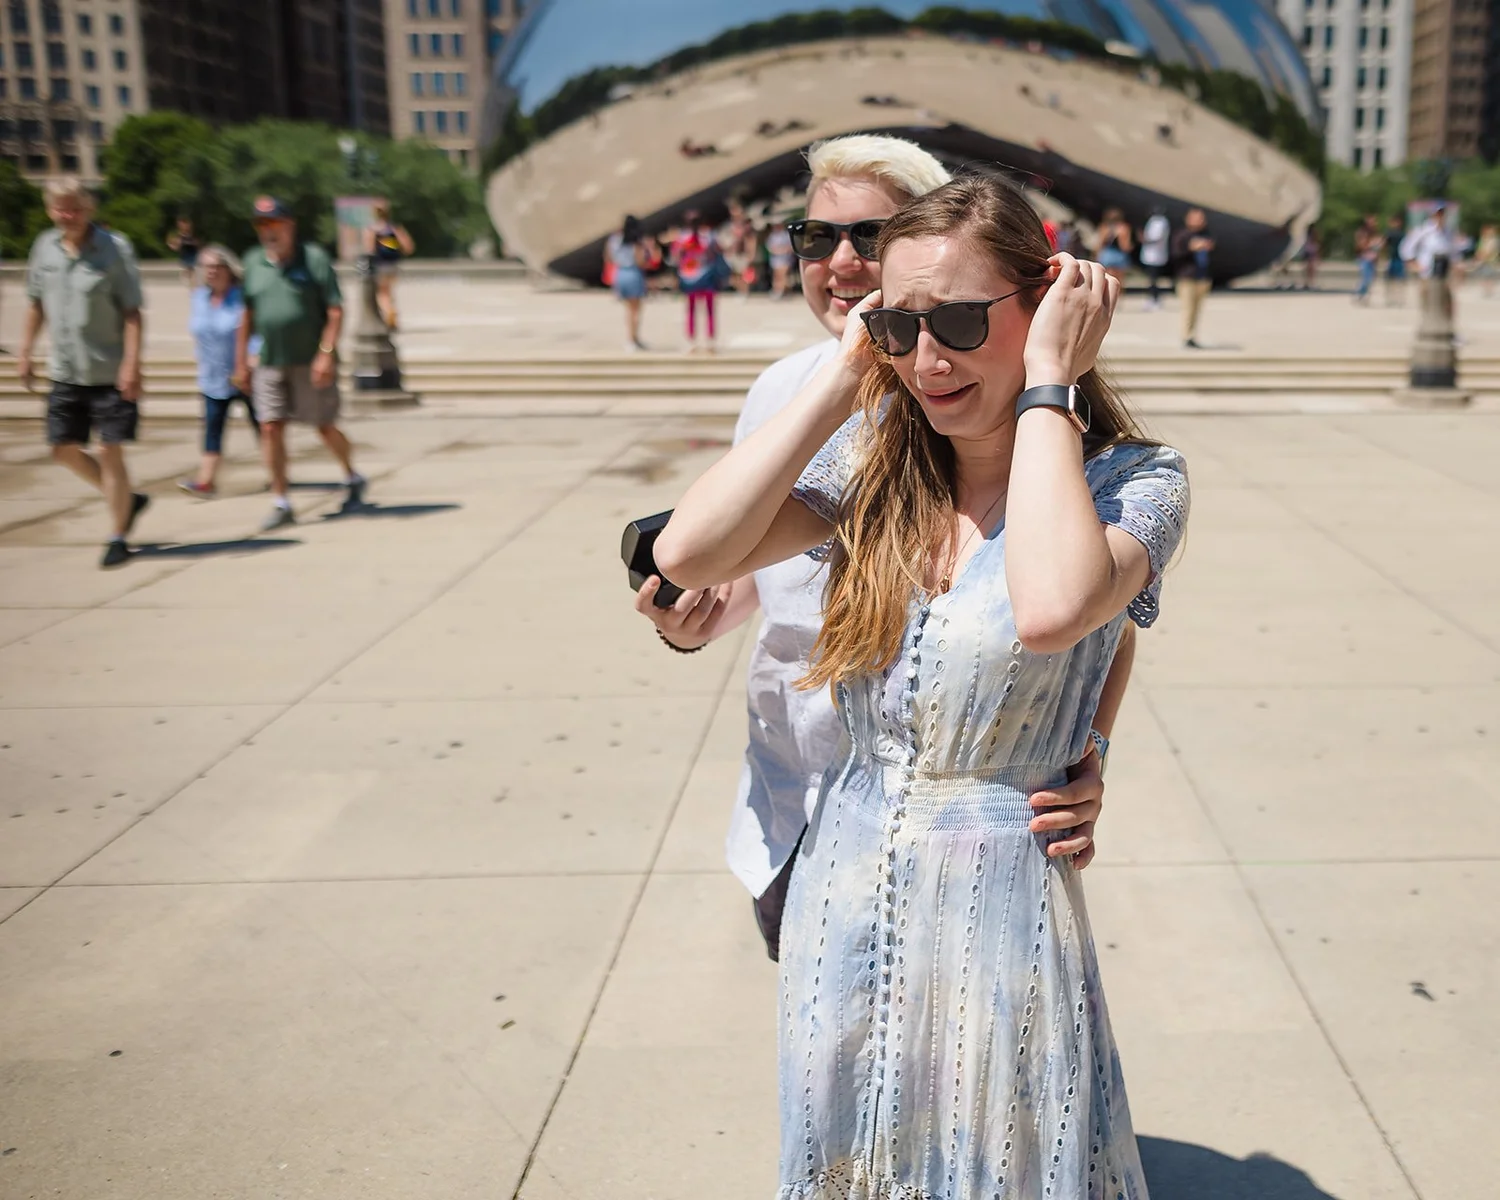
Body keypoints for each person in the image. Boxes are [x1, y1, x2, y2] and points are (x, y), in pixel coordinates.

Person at [654, 171, 1188, 1200]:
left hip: (997, 902)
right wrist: (851, 367)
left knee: (998, 1167)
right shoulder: (878, 475)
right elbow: (689, 551)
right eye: (902, 327)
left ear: (1045, 306)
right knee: (851, 1166)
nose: (929, 358)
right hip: (841, 883)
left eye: (954, 318)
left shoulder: (1137, 481)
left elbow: (1054, 608)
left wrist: (1047, 388)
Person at [633, 135, 1133, 964]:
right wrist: (842, 380)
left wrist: (1090, 744)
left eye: (869, 237)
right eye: (815, 237)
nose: (841, 262)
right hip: (809, 801)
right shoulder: (829, 424)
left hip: (977, 852)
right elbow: (720, 559)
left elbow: (1093, 612)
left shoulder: (1090, 462)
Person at [18, 177, 148, 568]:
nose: (67, 215)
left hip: (108, 371)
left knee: (110, 452)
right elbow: (35, 303)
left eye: (74, 207)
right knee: (63, 450)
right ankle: (127, 500)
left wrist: (132, 362)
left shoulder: (114, 250)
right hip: (66, 371)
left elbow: (132, 311)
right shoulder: (45, 247)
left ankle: (118, 535)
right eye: (60, 208)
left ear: (89, 208)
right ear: (49, 209)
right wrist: (25, 351)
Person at [234, 195, 366, 531]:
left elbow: (335, 310)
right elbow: (246, 315)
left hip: (311, 360)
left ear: (289, 225)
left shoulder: (314, 259)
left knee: (323, 425)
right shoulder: (252, 262)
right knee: (270, 426)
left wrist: (326, 352)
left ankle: (352, 475)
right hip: (269, 360)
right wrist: (240, 362)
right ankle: (281, 500)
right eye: (261, 224)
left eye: (274, 223)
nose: (268, 231)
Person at [178, 245, 259, 497]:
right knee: (212, 429)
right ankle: (206, 481)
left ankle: (280, 473)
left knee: (264, 428)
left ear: (228, 269)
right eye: (206, 267)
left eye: (216, 266)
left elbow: (257, 333)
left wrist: (252, 361)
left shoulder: (243, 297)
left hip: (245, 374)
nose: (211, 272)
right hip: (212, 377)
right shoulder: (198, 298)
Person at [671, 211, 723, 353]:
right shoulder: (708, 236)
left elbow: (676, 257)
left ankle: (698, 340)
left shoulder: (682, 237)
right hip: (699, 275)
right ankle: (705, 341)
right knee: (703, 310)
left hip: (694, 275)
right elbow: (717, 252)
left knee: (696, 310)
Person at [361, 201, 414, 329]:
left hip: (380, 265)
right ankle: (391, 312)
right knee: (389, 292)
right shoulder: (394, 228)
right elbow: (409, 247)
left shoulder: (372, 229)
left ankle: (389, 313)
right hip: (393, 265)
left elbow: (370, 249)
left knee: (382, 293)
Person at [605, 215, 651, 350]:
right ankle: (632, 339)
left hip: (620, 273)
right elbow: (640, 261)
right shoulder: (636, 242)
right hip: (633, 273)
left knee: (628, 309)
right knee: (635, 310)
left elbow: (608, 257)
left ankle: (633, 339)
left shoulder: (614, 240)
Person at [1172, 206, 1214, 348]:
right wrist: (1190, 248)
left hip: (1202, 277)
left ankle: (1193, 334)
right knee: (1188, 308)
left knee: (1197, 309)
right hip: (1187, 278)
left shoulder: (1206, 234)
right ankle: (1187, 335)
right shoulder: (1182, 235)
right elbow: (1175, 254)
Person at [720, 200, 760, 301]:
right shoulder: (730, 225)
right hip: (733, 254)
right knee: (734, 276)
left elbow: (751, 239)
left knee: (744, 275)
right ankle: (740, 291)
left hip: (743, 254)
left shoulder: (746, 224)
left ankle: (744, 292)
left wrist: (751, 253)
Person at [1139, 208, 1171, 309]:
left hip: (1156, 255)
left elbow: (1157, 237)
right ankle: (1153, 298)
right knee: (1151, 279)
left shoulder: (1160, 222)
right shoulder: (1154, 221)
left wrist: (1144, 239)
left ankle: (1155, 299)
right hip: (1150, 255)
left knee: (1154, 279)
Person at [1094, 206, 1133, 286]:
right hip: (1119, 254)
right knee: (1119, 280)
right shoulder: (1124, 228)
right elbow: (1125, 246)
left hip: (1107, 254)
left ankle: (1109, 297)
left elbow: (1100, 244)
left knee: (1107, 279)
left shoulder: (1104, 227)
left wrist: (1097, 255)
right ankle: (1117, 297)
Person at [1352, 214, 1383, 305]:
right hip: (1364, 257)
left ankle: (1363, 295)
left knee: (1370, 278)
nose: (1375, 223)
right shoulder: (1362, 232)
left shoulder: (1376, 232)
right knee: (1366, 277)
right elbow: (1360, 245)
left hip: (1372, 258)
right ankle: (1359, 293)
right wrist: (1372, 244)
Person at [165, 215, 200, 285]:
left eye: (183, 224)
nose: (182, 226)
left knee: (191, 269)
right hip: (185, 254)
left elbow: (197, 243)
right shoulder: (178, 235)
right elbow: (175, 245)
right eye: (180, 225)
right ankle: (189, 279)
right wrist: (172, 244)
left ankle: (191, 281)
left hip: (192, 253)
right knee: (190, 269)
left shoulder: (192, 233)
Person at [1382, 213, 1408, 306]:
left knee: (1399, 280)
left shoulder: (1402, 234)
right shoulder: (1390, 234)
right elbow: (1384, 246)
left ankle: (1398, 298)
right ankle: (1391, 298)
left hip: (1400, 259)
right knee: (1390, 280)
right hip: (1392, 258)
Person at [766, 220, 795, 299]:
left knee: (783, 276)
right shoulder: (773, 235)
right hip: (775, 259)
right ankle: (779, 290)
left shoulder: (786, 235)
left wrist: (782, 250)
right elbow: (769, 247)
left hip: (785, 259)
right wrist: (776, 250)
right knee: (776, 276)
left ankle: (780, 291)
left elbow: (791, 247)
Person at [1473, 223, 1499, 297]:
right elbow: (1480, 249)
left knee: (1489, 275)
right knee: (1484, 275)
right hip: (1484, 260)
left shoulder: (1493, 240)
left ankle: (1489, 290)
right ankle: (1487, 290)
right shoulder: (1484, 239)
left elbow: (1492, 250)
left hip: (1490, 260)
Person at [1299, 224, 1322, 290]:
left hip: (1311, 251)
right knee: (1307, 268)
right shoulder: (1305, 233)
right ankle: (1307, 282)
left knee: (1310, 268)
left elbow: (1318, 241)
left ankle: (1310, 282)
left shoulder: (1313, 233)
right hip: (1308, 251)